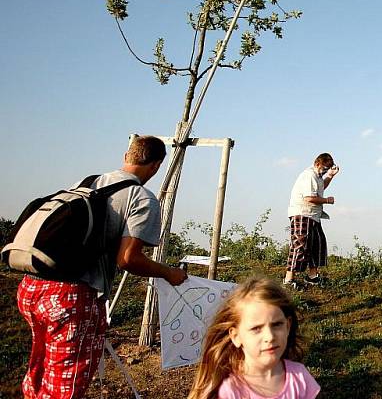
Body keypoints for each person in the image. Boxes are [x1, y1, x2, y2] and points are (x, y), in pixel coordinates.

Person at [16, 135, 188, 399]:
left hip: (32, 287)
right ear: (156, 165)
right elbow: (128, 259)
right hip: (71, 297)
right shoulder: (141, 198)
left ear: (126, 156)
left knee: (40, 369)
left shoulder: (88, 183)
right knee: (66, 383)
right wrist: (169, 273)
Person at [188, 277, 320, 399]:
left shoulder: (300, 377)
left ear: (288, 326)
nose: (269, 336)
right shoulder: (232, 391)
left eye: (277, 324)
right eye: (256, 328)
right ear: (236, 336)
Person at [283, 153, 338, 289]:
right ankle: (289, 279)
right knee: (300, 245)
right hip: (302, 214)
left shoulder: (318, 177)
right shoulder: (309, 175)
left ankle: (312, 277)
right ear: (317, 164)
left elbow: (320, 188)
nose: (325, 171)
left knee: (317, 245)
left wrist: (330, 176)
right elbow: (309, 198)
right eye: (325, 168)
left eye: (327, 169)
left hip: (313, 215)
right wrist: (327, 200)